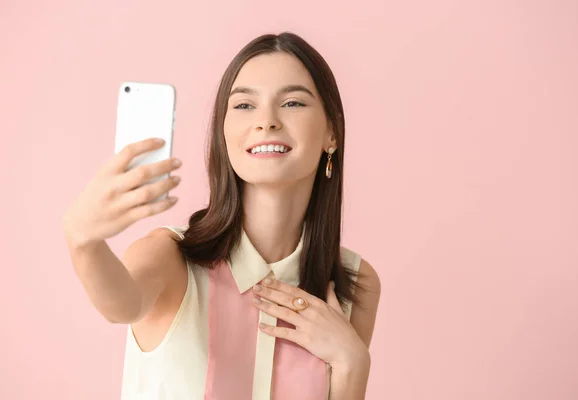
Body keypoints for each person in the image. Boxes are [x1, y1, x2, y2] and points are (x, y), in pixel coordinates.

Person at [62, 32, 381, 400]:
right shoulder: (170, 255)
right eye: (244, 105)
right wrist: (82, 242)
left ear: (332, 132)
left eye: (292, 102)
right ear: (223, 130)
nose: (267, 122)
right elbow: (120, 305)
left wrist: (353, 363)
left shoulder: (355, 283)